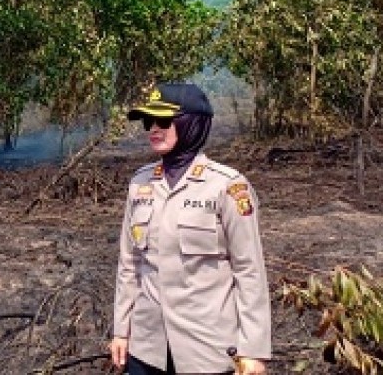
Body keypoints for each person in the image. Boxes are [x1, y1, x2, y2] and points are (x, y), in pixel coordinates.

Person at [109, 83, 271, 375]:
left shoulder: (227, 186)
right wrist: (121, 330)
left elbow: (249, 271)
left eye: (164, 120)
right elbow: (129, 265)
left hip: (206, 350)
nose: (153, 128)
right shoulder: (140, 183)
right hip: (147, 349)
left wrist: (254, 351)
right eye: (148, 121)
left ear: (192, 124)